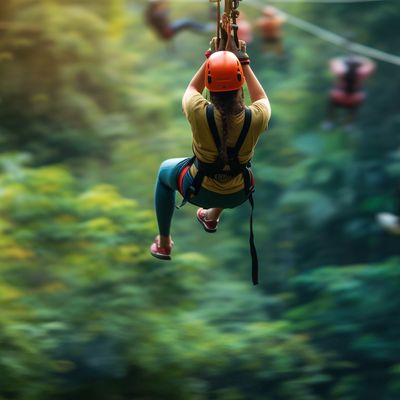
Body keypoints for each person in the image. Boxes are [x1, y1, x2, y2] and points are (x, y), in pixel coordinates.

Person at [150, 31, 271, 284]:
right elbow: (261, 98)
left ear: (211, 85)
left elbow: (193, 88)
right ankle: (212, 215)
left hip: (197, 189)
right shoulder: (256, 117)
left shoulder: (198, 111)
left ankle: (163, 242)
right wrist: (242, 60)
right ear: (239, 85)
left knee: (164, 171)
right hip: (238, 195)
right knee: (235, 174)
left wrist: (213, 56)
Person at [322, 55, 375, 129]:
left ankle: (330, 120)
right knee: (355, 106)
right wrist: (361, 59)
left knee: (332, 103)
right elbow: (371, 64)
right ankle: (349, 123)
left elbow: (333, 62)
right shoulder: (361, 73)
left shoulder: (341, 71)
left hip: (339, 97)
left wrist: (343, 58)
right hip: (353, 98)